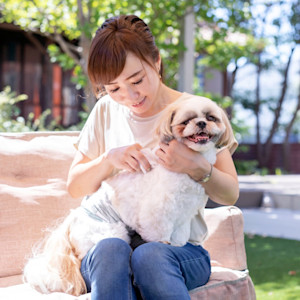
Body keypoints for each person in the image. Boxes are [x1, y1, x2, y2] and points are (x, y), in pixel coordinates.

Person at [67, 14, 239, 300]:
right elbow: (75, 187)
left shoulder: (195, 113)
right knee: (112, 249)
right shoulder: (106, 110)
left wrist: (198, 168)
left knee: (149, 256)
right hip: (112, 246)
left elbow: (231, 193)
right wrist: (108, 160)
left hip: (178, 250)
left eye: (137, 80)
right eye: (114, 89)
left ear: (156, 61)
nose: (130, 95)